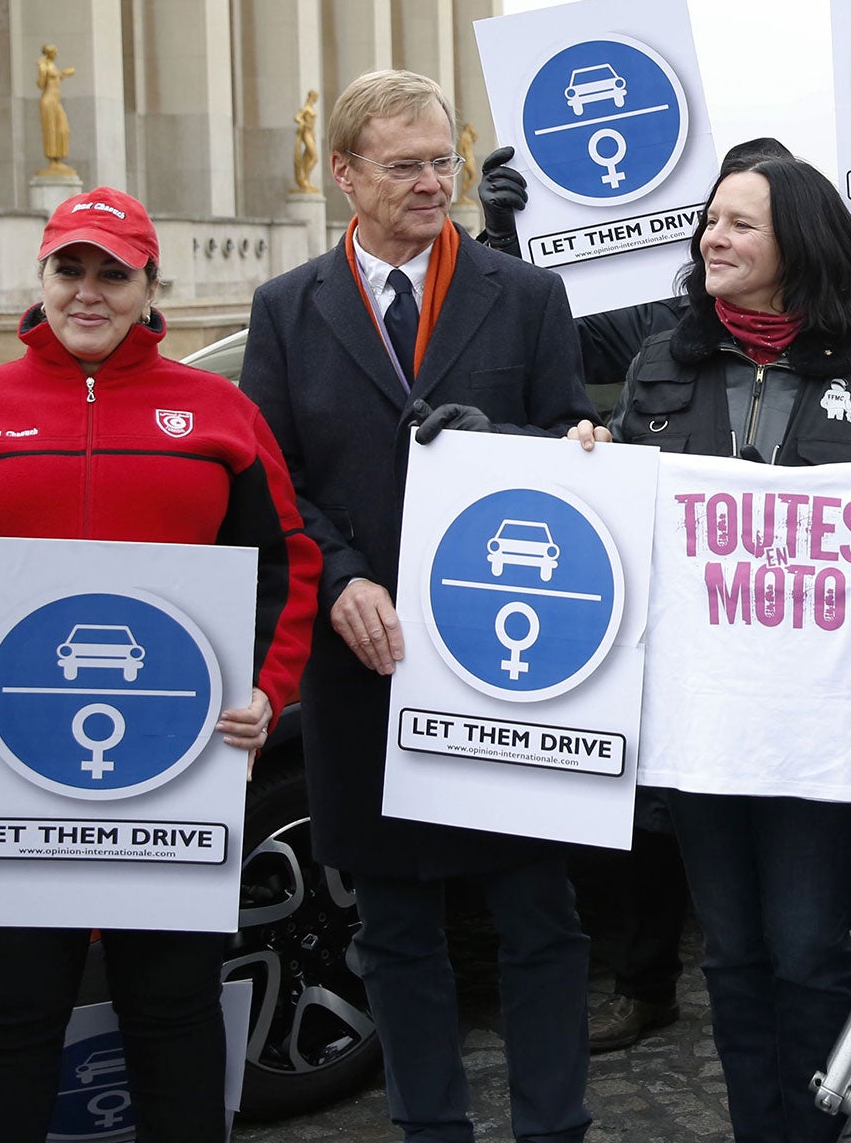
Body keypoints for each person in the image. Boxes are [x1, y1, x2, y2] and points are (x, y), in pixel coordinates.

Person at [241, 70, 602, 1143]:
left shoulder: (524, 296)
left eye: (442, 160)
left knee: (539, 918)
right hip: (362, 662)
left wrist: (534, 445)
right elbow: (272, 480)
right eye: (403, 165)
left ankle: (552, 1129)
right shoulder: (286, 309)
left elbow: (576, 442)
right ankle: (428, 1130)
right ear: (342, 174)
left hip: (511, 656)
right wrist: (343, 573)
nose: (432, 182)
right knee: (395, 927)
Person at [0, 187, 319, 1141]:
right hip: (4, 776)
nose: (90, 292)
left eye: (115, 272)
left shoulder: (220, 414)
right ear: (44, 277)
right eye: (71, 269)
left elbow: (286, 567)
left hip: (173, 780)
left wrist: (269, 692)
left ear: (153, 288)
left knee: (174, 1016)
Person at [614, 156, 851, 1143]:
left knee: (811, 950)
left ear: (793, 247)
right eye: (709, 223)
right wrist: (591, 458)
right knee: (728, 955)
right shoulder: (662, 360)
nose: (711, 240)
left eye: (736, 225)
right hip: (699, 715)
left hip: (815, 724)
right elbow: (629, 503)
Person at [474, 134, 795, 1054]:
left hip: (789, 616)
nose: (722, 233)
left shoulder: (849, 336)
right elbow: (542, 333)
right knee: (660, 815)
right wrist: (503, 237)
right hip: (680, 610)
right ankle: (648, 982)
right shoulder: (665, 323)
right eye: (719, 211)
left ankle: (802, 979)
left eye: (754, 213)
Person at [477, 135, 796, 387]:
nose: (717, 238)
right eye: (712, 221)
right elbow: (553, 342)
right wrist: (507, 242)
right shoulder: (661, 323)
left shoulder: (842, 334)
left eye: (743, 223)